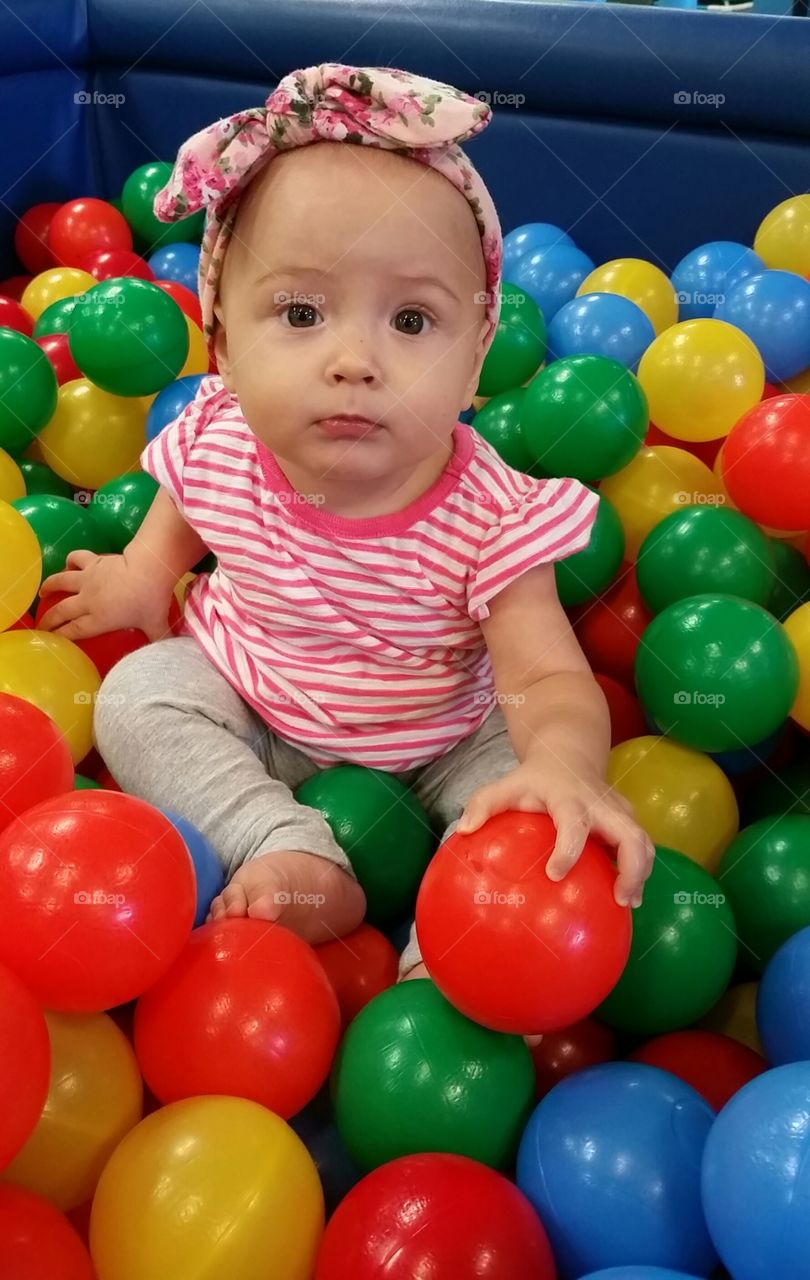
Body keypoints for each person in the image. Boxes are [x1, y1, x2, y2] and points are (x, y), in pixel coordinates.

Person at [39, 63, 655, 979]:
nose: (355, 359)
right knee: (139, 696)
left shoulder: (490, 513)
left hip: (446, 737)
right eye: (299, 312)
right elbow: (182, 517)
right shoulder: (218, 434)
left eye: (412, 320)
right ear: (221, 340)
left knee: (527, 823)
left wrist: (562, 764)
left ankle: (445, 960)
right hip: (253, 701)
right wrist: (136, 576)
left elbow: (546, 680)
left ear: (478, 354)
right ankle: (283, 843)